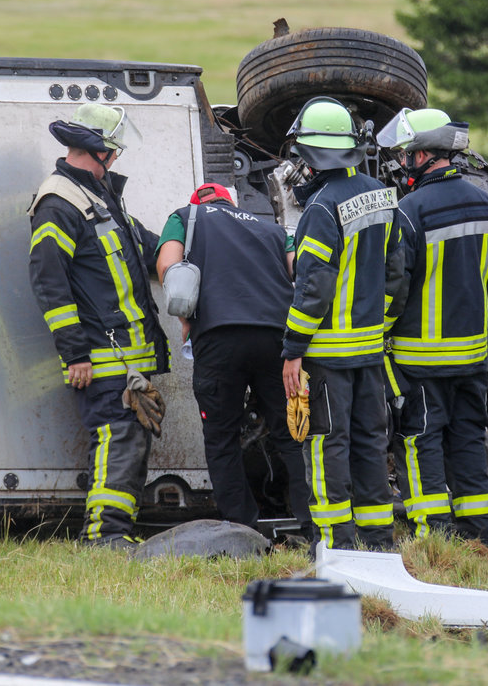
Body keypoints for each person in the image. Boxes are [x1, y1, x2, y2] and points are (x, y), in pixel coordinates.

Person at [27, 103, 168, 549]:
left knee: (128, 445)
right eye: (114, 151)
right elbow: (49, 283)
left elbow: (147, 248)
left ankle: (114, 534)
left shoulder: (99, 196)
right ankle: (105, 538)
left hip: (126, 357)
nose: (116, 159)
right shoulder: (59, 203)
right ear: (99, 151)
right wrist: (76, 354)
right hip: (103, 359)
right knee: (116, 442)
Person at [279, 97, 408, 551]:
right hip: (371, 352)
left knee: (326, 445)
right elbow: (397, 274)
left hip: (326, 357)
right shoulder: (382, 196)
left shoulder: (320, 208)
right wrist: (378, 323)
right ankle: (378, 540)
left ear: (310, 157)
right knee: (371, 443)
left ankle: (336, 542)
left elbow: (313, 287)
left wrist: (293, 349)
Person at [377, 108, 488, 546]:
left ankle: (436, 537)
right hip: (472, 354)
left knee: (419, 442)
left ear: (423, 155)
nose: (401, 162)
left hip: (421, 358)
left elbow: (395, 286)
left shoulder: (409, 210)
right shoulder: (486, 202)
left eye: (405, 153)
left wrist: (379, 329)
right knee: (469, 438)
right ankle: (478, 533)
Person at [155, 182, 312, 540]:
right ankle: (313, 525)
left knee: (222, 436)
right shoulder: (272, 229)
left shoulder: (185, 217)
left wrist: (184, 319)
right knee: (292, 434)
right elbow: (298, 273)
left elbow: (168, 265)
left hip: (218, 336)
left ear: (198, 201)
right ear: (232, 203)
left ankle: (242, 531)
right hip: (277, 338)